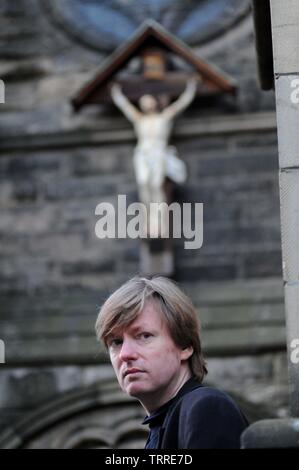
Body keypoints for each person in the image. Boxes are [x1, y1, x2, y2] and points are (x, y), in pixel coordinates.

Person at [95, 276, 248, 449]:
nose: (125, 354)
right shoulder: (163, 425)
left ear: (185, 345)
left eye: (144, 336)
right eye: (116, 342)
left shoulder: (207, 408)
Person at [111, 79, 198, 237]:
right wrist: (116, 94)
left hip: (158, 153)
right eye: (144, 102)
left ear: (154, 103)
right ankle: (147, 222)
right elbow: (124, 106)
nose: (147, 104)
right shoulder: (139, 119)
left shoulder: (163, 118)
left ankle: (159, 222)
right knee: (144, 184)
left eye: (149, 101)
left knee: (156, 185)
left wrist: (190, 89)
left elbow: (181, 104)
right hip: (143, 153)